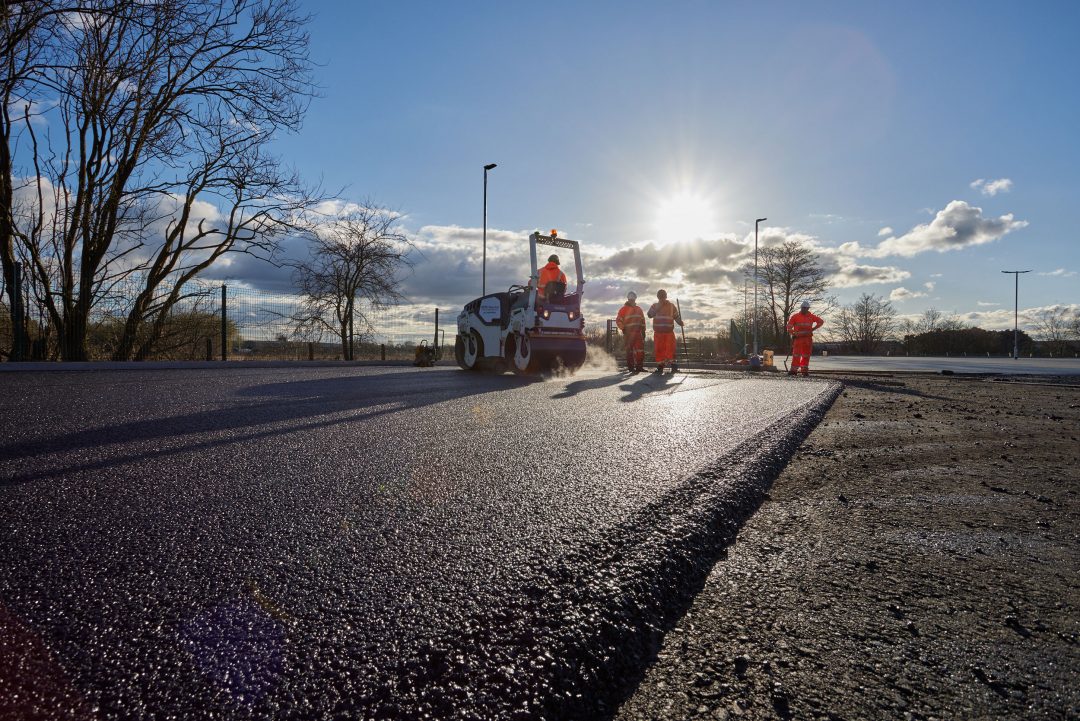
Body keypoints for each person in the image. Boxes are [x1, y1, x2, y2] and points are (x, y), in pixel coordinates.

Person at [647, 289, 683, 374]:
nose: (662, 298)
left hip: (668, 333)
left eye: (663, 296)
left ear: (665, 297)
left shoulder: (671, 306)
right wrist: (657, 308)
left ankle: (672, 367)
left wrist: (680, 322)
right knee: (661, 350)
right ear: (658, 297)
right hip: (659, 333)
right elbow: (649, 315)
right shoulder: (655, 306)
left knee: (670, 349)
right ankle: (661, 367)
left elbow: (676, 317)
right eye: (661, 296)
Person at [786, 300, 824, 376]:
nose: (804, 309)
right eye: (803, 308)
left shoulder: (811, 316)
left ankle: (804, 370)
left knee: (806, 355)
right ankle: (794, 370)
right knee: (796, 355)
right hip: (798, 339)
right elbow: (789, 326)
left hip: (807, 339)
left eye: (806, 308)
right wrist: (793, 333)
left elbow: (821, 322)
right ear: (801, 308)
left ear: (808, 308)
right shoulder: (795, 316)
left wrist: (813, 329)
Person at [616, 291, 646, 373]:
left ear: (635, 299)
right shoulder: (623, 309)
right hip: (628, 333)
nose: (632, 300)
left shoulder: (639, 309)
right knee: (629, 351)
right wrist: (623, 328)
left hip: (638, 333)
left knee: (640, 350)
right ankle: (631, 367)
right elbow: (618, 320)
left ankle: (639, 367)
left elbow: (643, 321)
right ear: (628, 299)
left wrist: (643, 331)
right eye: (631, 299)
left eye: (633, 299)